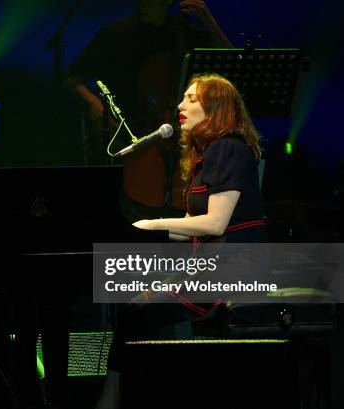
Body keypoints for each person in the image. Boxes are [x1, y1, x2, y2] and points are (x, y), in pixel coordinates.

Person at [95, 73, 267, 409]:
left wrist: (154, 223)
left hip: (236, 269)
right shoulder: (211, 155)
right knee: (136, 304)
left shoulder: (226, 149)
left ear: (215, 108)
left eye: (191, 99)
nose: (179, 106)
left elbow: (215, 223)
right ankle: (133, 394)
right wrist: (137, 232)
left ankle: (114, 398)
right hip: (216, 265)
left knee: (138, 311)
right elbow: (192, 228)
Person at [64, 0, 232, 222]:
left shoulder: (183, 31)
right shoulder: (117, 33)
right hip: (134, 128)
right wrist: (95, 104)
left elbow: (230, 59)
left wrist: (208, 20)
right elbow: (72, 76)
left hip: (183, 128)